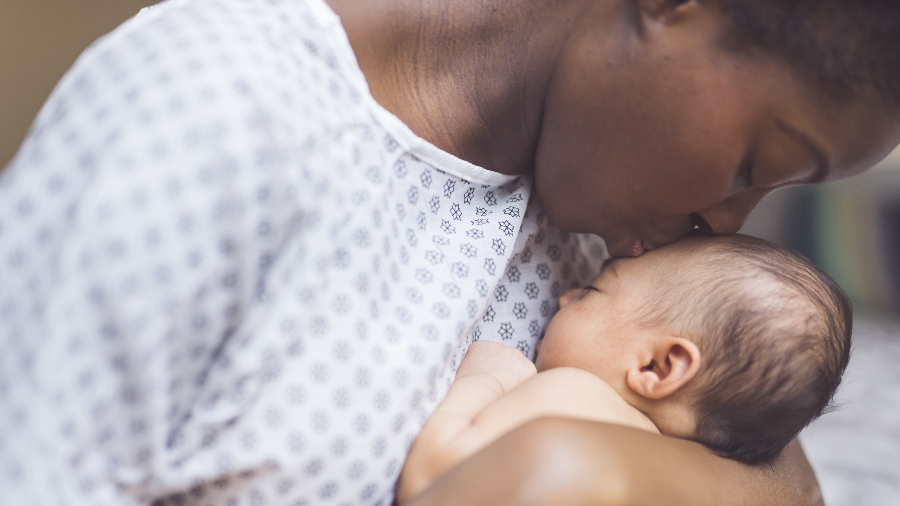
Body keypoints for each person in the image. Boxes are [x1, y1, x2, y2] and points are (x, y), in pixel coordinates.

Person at [0, 0, 898, 504]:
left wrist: (593, 473)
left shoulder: (603, 217)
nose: (728, 221)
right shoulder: (212, 112)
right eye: (754, 164)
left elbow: (782, 476)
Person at [397, 234, 851, 502]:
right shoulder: (668, 467)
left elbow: (430, 478)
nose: (566, 296)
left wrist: (488, 377)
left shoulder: (574, 397)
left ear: (657, 367)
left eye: (594, 291)